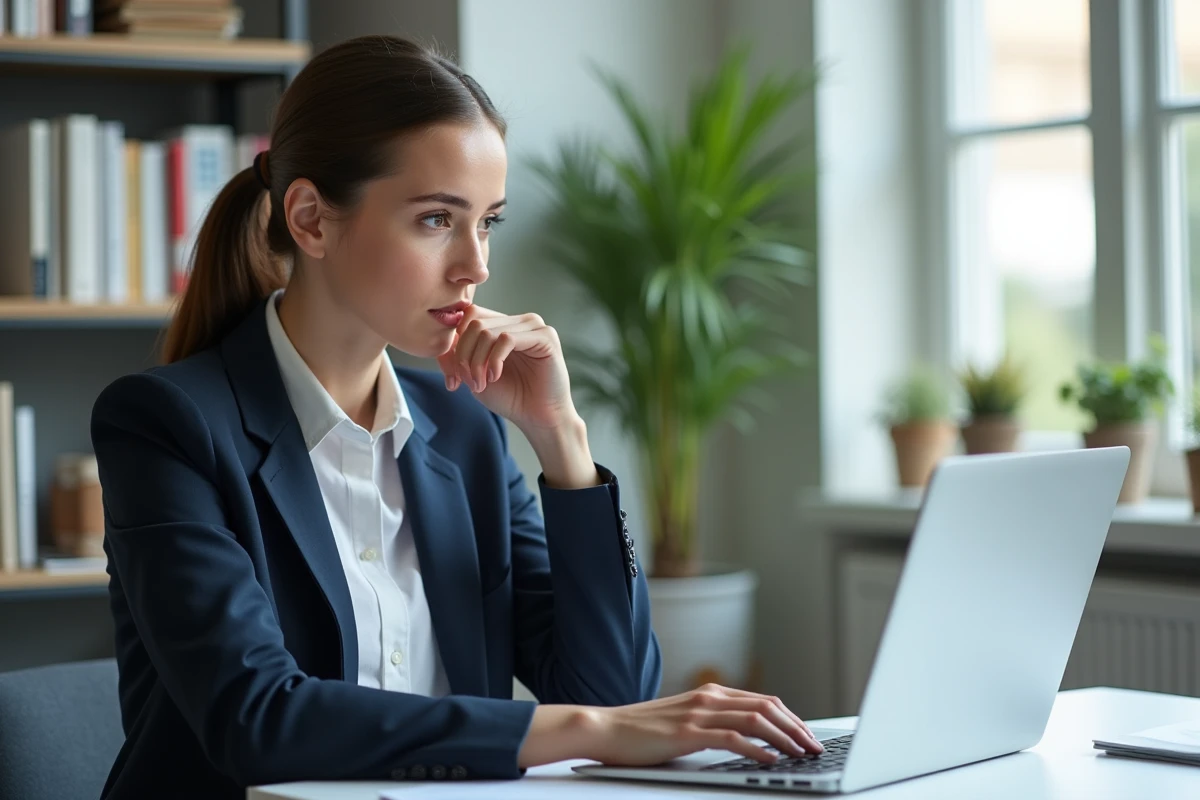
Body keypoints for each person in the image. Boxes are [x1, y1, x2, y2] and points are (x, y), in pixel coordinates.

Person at [89, 34, 823, 799]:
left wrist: (560, 438)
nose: (476, 265)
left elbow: (612, 688)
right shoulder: (167, 425)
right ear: (310, 219)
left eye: (488, 222)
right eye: (437, 220)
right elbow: (258, 719)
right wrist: (583, 733)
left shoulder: (466, 430)